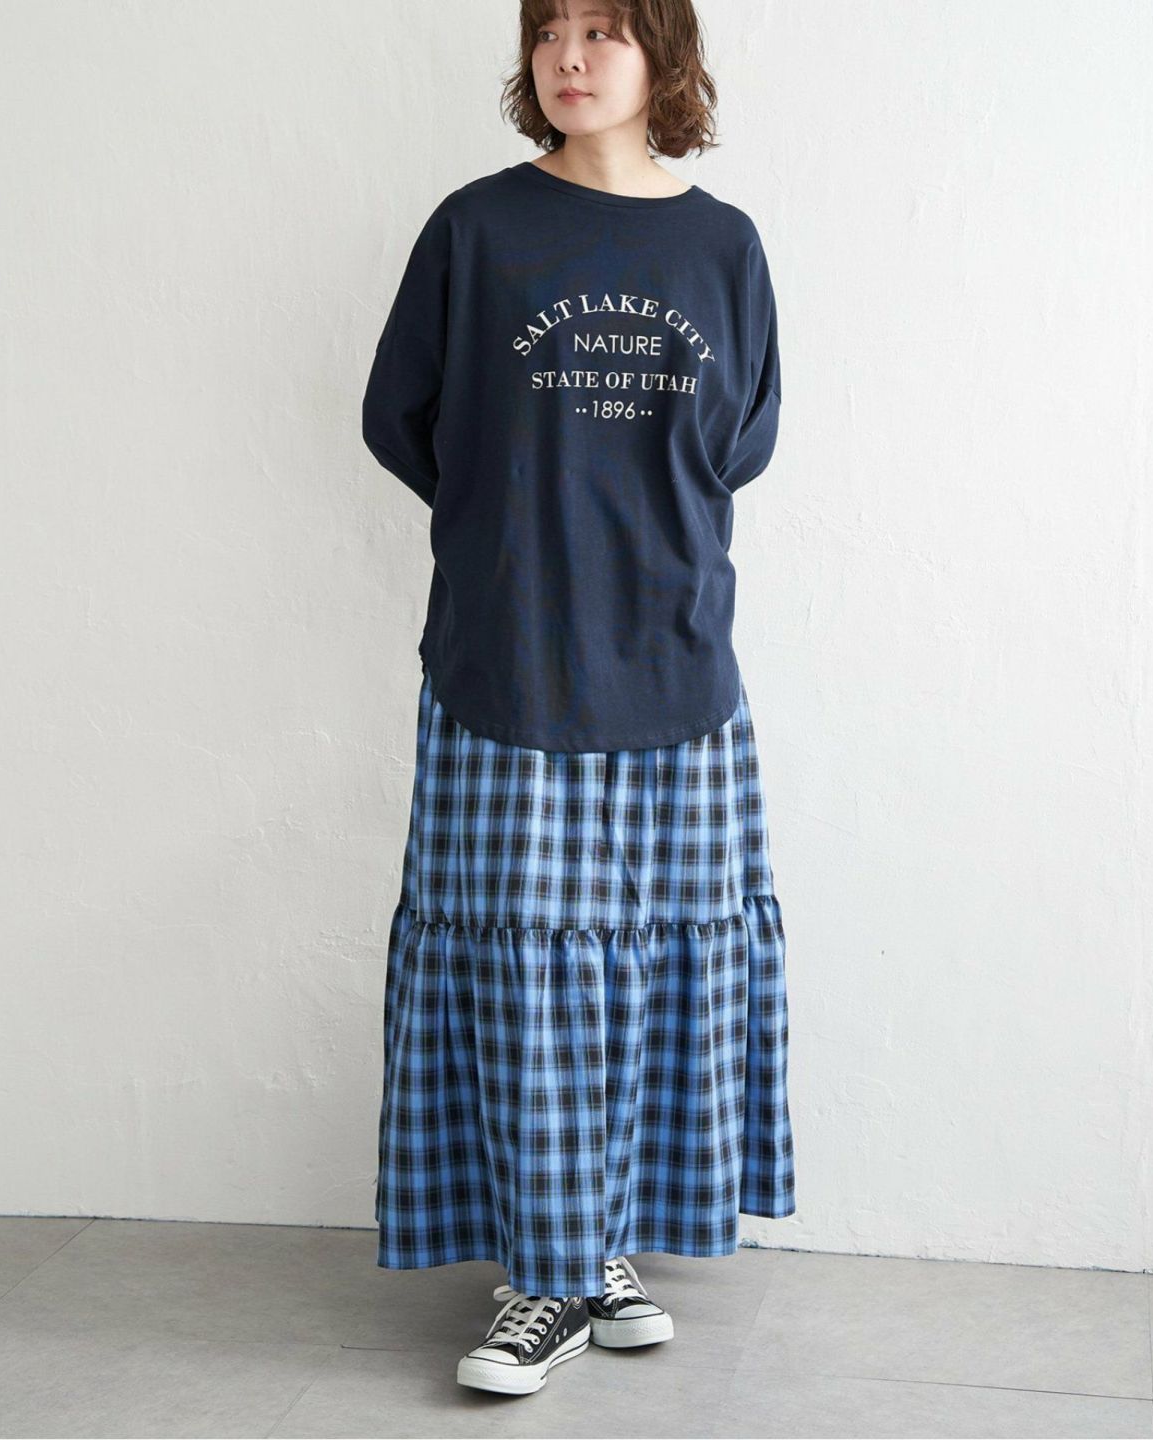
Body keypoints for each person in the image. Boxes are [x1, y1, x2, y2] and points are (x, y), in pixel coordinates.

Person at [361, 0, 794, 1397]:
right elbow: (397, 416)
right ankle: (540, 1276)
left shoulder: (723, 246)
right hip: (509, 653)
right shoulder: (477, 231)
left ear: (664, 57)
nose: (569, 54)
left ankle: (599, 1247)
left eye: (606, 29)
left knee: (657, 963)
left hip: (676, 653)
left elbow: (745, 438)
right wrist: (514, 524)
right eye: (550, 27)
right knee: (522, 967)